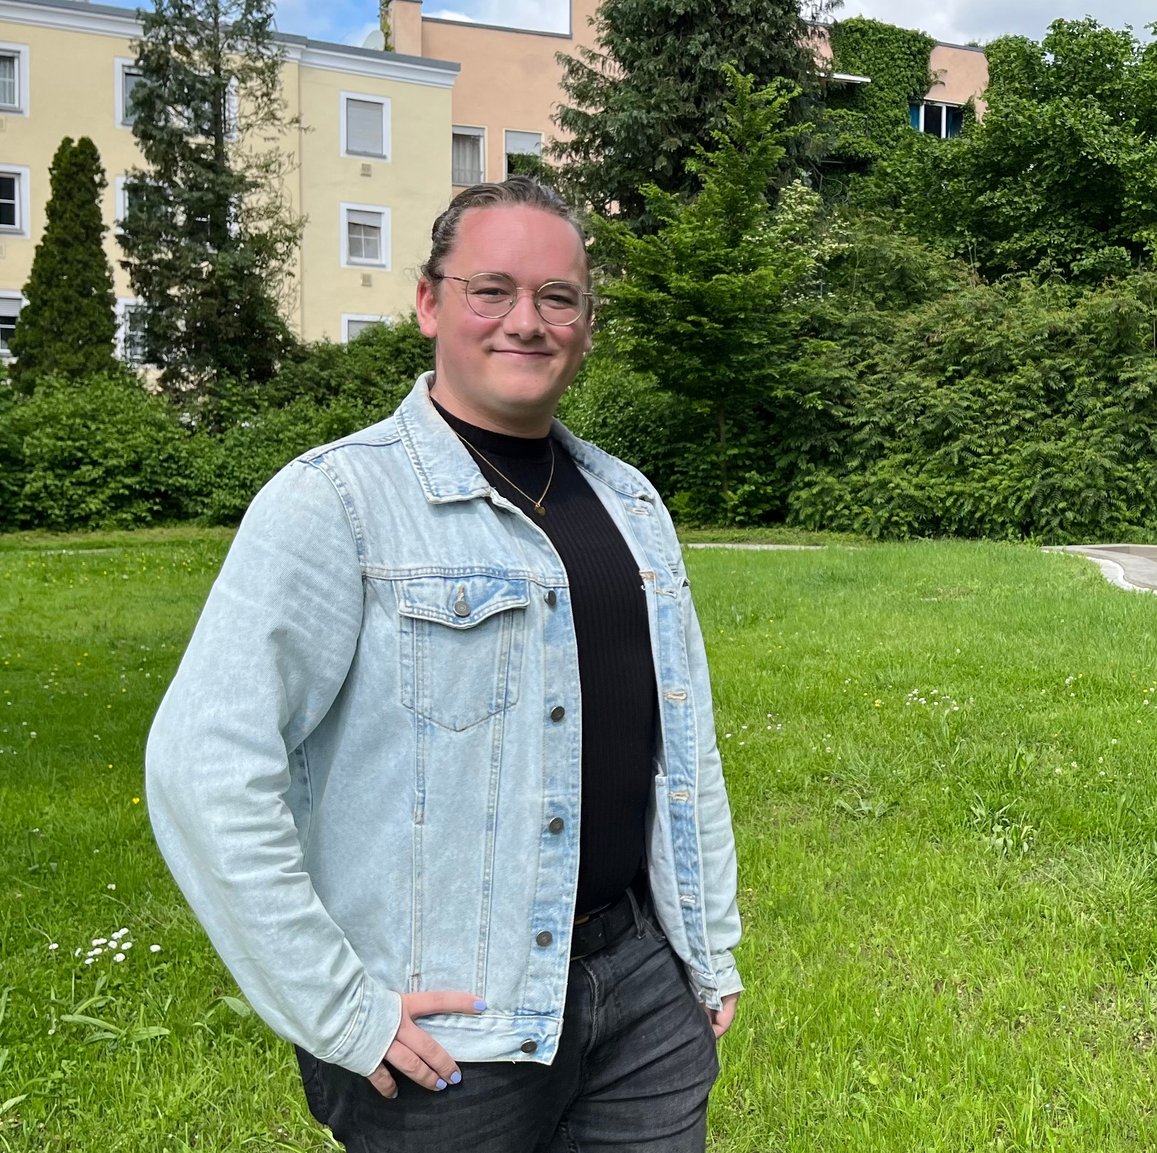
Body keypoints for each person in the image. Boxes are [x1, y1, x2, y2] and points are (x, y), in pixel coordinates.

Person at [145, 176, 741, 1152]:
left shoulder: (631, 505)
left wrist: (705, 952)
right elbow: (200, 767)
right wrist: (338, 1008)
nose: (528, 321)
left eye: (559, 298)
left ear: (587, 323)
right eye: (491, 289)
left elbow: (683, 746)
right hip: (451, 1026)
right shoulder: (333, 503)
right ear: (429, 302)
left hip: (639, 990)